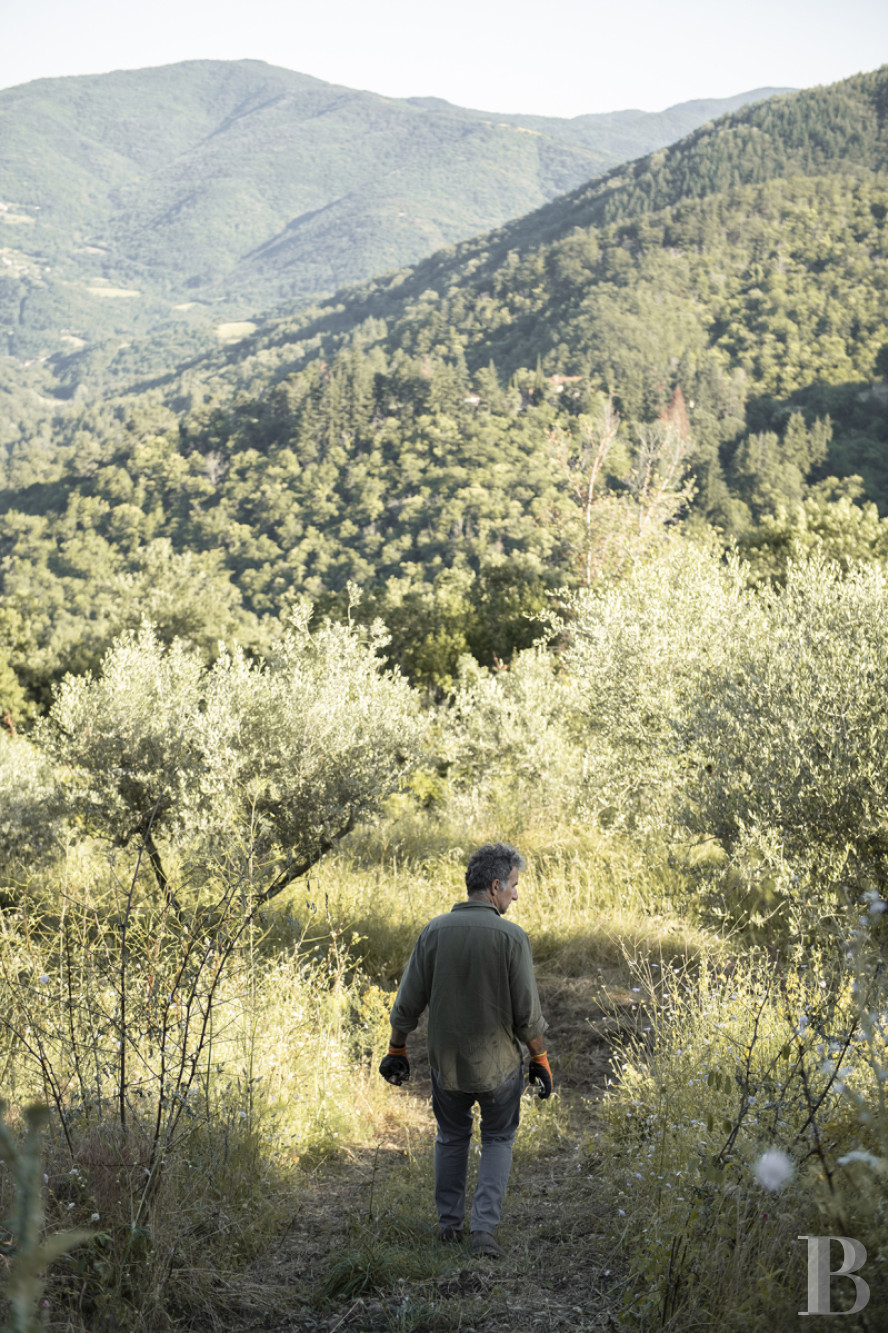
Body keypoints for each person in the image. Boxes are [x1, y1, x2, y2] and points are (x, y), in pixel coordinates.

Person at [379, 842, 552, 1257]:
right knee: (498, 1139)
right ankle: (484, 1233)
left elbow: (406, 1003)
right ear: (494, 886)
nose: (516, 895)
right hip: (500, 1069)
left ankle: (449, 1226)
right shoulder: (512, 937)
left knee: (451, 1137)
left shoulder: (435, 931)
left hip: (447, 1066)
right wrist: (540, 1059)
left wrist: (397, 1049)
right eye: (513, 885)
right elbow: (528, 1015)